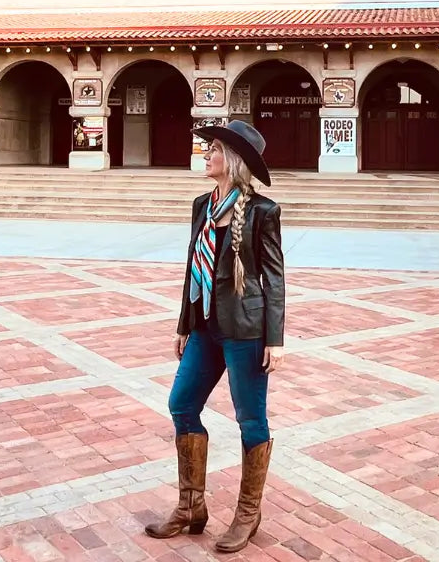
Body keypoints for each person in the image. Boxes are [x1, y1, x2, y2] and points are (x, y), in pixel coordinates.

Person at [144, 119, 286, 554]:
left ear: (234, 160)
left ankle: (248, 513)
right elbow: (193, 271)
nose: (206, 154)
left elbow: (274, 277)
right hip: (205, 327)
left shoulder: (263, 211)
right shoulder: (201, 204)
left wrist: (275, 339)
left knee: (250, 420)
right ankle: (191, 507)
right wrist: (184, 325)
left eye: (214, 150)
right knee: (181, 405)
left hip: (246, 331)